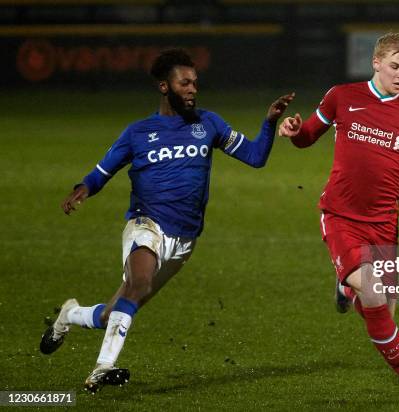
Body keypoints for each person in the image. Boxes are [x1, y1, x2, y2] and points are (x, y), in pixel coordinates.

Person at [40, 48, 294, 394]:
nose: (192, 89)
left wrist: (269, 121)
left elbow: (255, 157)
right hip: (147, 225)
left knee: (117, 308)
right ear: (164, 86)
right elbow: (104, 169)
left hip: (185, 240)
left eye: (195, 83)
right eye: (185, 83)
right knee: (139, 283)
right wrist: (83, 188)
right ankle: (103, 368)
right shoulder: (139, 132)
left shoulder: (209, 124)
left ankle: (69, 315)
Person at [278, 32, 399, 396]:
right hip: (340, 215)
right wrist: (294, 132)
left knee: (385, 308)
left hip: (384, 223)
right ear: (376, 62)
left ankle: (345, 283)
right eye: (394, 66)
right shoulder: (342, 97)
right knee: (373, 292)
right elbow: (308, 135)